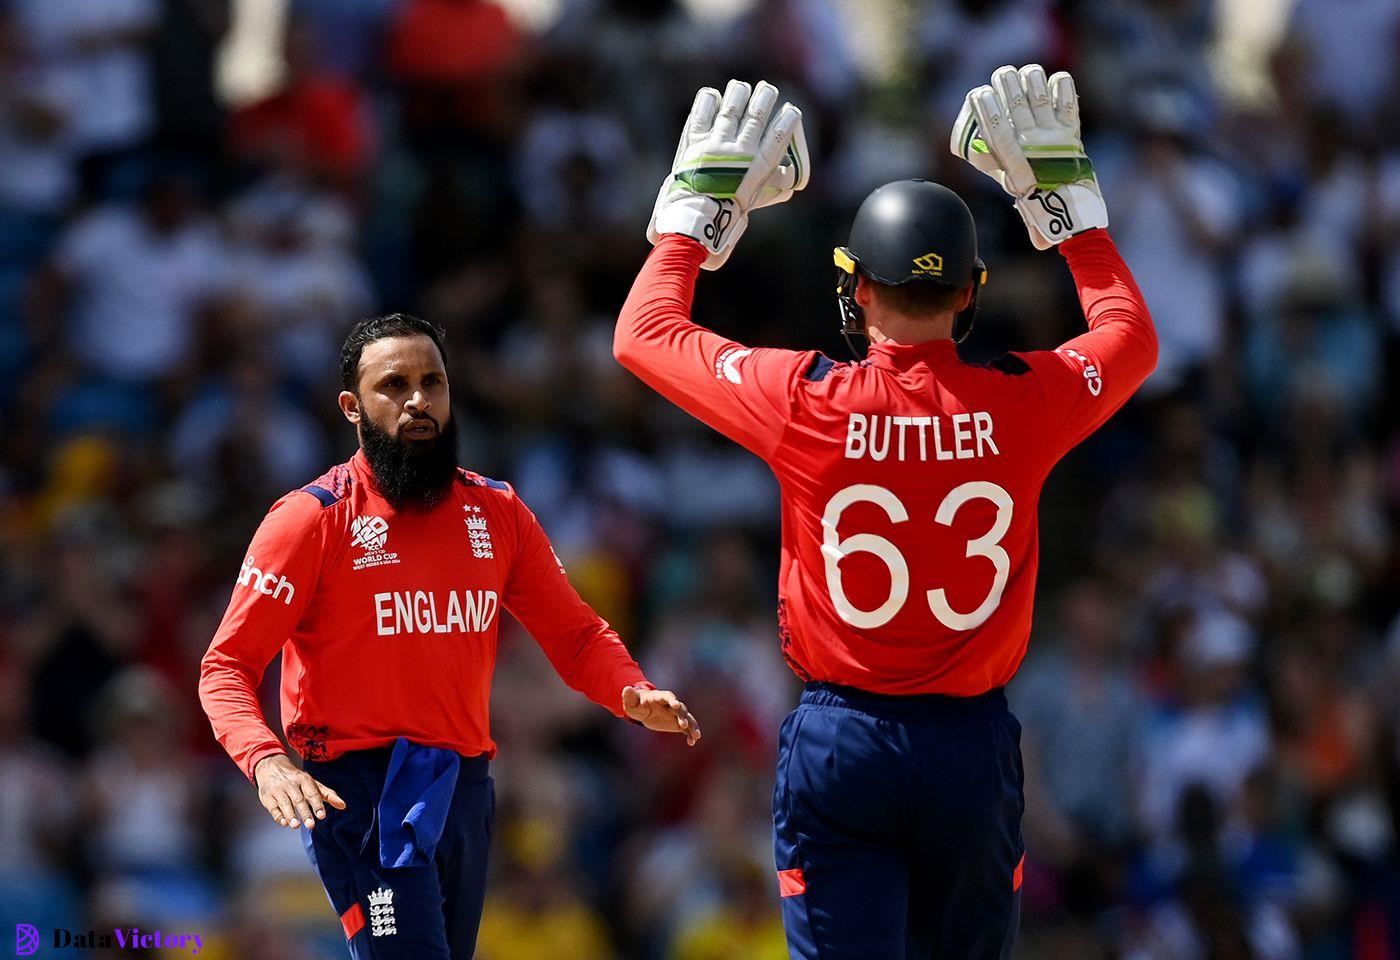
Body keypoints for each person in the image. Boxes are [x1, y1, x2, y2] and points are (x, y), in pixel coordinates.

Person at [614, 67, 1157, 959]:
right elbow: (1130, 335)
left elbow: (643, 333)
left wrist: (697, 214)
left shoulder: (803, 399)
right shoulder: (1027, 403)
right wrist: (1069, 207)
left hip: (844, 742)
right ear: (972, 294)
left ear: (855, 289)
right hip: (972, 750)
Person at [198, 312, 700, 960]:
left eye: (432, 382)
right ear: (352, 407)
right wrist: (265, 760)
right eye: (394, 384)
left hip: (463, 784)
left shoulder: (498, 512)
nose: (417, 401)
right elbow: (227, 666)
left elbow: (575, 635)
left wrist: (629, 691)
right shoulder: (310, 520)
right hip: (361, 791)